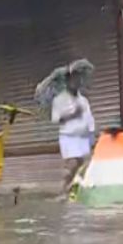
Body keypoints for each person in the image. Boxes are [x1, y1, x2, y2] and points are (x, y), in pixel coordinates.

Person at [51, 68, 96, 197]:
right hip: (68, 137)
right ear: (67, 82)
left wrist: (92, 134)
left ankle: (75, 191)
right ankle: (63, 191)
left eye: (78, 80)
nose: (76, 83)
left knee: (83, 166)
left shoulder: (83, 100)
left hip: (83, 137)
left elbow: (89, 118)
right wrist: (72, 115)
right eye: (73, 80)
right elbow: (56, 119)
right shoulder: (59, 100)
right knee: (71, 165)